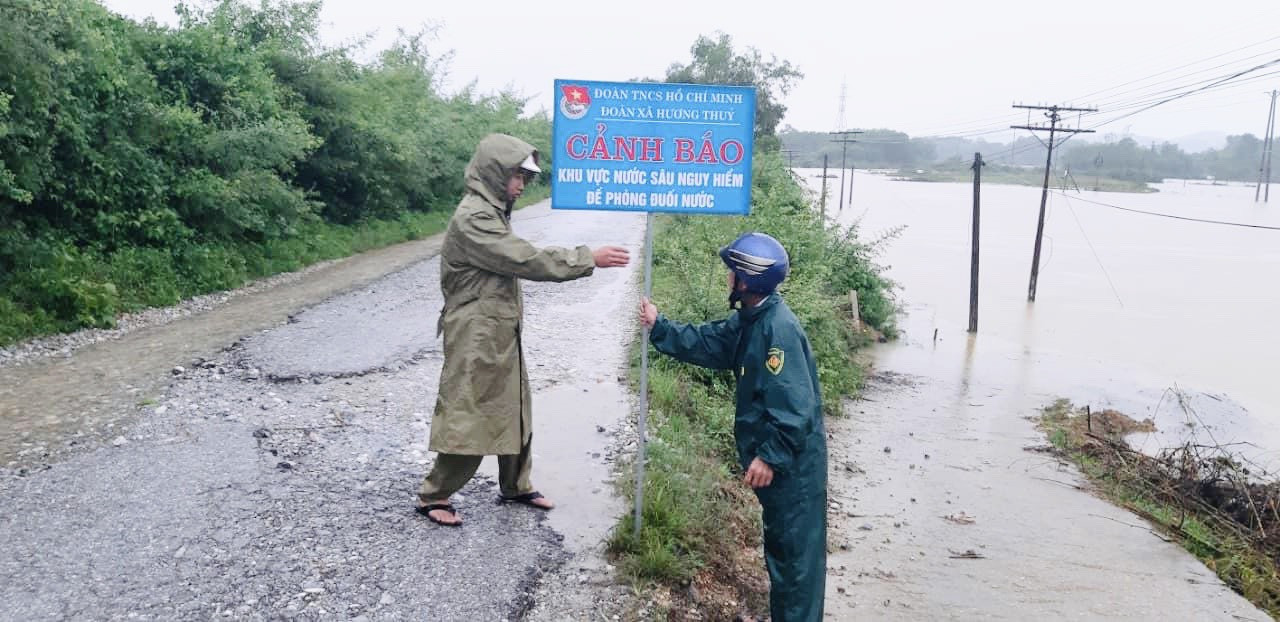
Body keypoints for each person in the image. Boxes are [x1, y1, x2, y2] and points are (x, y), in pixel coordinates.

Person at [417, 133, 631, 527]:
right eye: (516, 176)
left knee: (514, 404)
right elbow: (526, 259)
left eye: (525, 178)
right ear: (495, 172)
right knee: (473, 410)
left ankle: (516, 485)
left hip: (497, 328)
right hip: (475, 332)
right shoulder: (475, 217)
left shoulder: (493, 210)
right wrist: (587, 258)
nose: (521, 185)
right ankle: (435, 495)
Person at [638, 232, 827, 622]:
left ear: (747, 280)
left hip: (795, 473)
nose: (728, 277)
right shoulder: (752, 321)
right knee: (784, 558)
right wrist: (660, 327)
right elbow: (709, 342)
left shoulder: (779, 331)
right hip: (784, 471)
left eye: (732, 272)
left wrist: (770, 457)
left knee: (796, 569)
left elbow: (797, 407)